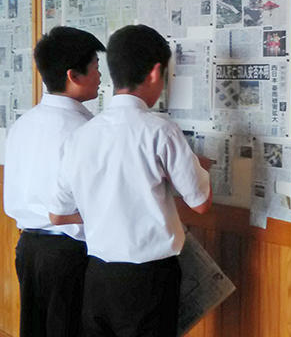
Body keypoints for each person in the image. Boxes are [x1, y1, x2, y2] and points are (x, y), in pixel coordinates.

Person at [49, 25, 212, 337]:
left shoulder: (81, 136)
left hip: (97, 275)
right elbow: (201, 203)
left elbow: (57, 215)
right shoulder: (160, 130)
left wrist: (104, 211)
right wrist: (201, 167)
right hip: (149, 280)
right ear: (155, 74)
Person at [3, 26, 105, 337]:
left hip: (28, 249)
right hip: (68, 253)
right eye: (96, 68)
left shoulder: (24, 122)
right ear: (74, 75)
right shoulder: (85, 130)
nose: (101, 77)